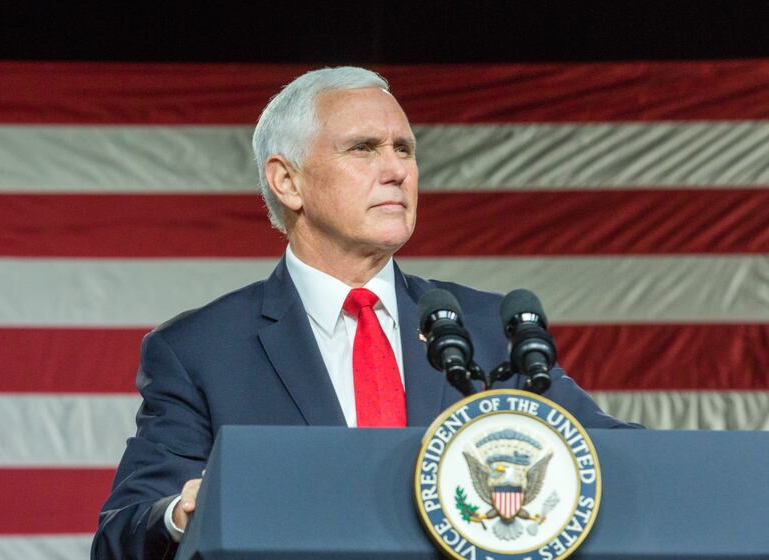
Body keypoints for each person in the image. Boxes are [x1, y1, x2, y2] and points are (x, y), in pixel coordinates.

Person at [90, 66, 633, 560]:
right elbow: (123, 535)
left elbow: (625, 461)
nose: (396, 169)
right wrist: (182, 515)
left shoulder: (486, 329)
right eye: (364, 148)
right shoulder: (201, 350)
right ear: (289, 181)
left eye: (405, 148)